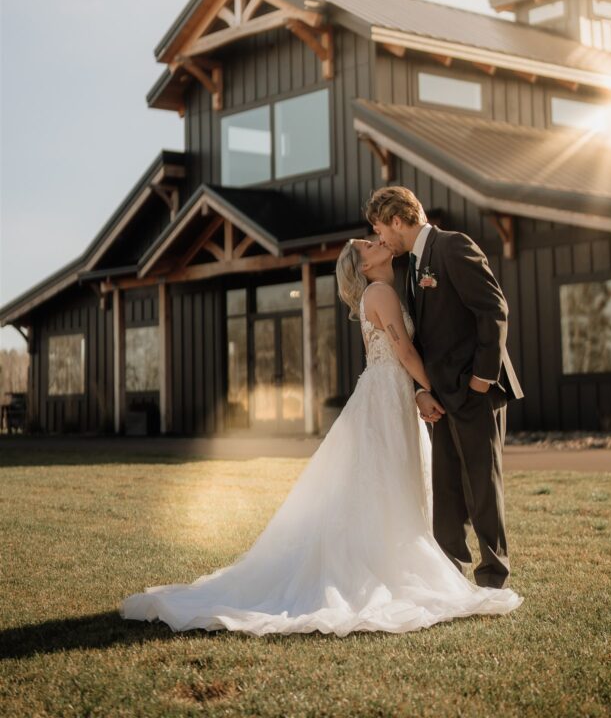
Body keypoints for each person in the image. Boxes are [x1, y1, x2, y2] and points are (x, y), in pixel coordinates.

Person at [119, 233, 522, 636]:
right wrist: (431, 390)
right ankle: (379, 564)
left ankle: (391, 555)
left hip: (392, 394)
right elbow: (405, 352)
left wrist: (417, 391)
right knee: (386, 480)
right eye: (367, 244)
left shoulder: (387, 289)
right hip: (386, 397)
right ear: (363, 267)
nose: (376, 240)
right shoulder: (380, 292)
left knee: (387, 483)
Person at [364, 186, 524, 589]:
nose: (380, 239)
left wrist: (482, 380)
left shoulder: (454, 247)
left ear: (398, 221)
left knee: (482, 484)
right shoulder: (412, 268)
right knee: (447, 489)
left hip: (475, 391)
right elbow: (422, 338)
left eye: (380, 229)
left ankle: (492, 577)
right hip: (441, 394)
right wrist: (422, 391)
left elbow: (493, 310)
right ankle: (449, 574)